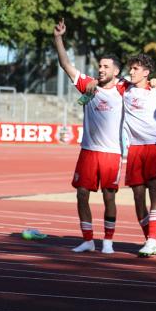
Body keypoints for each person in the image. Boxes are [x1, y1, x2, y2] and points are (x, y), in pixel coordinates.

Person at [52, 20, 123, 254]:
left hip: (112, 153)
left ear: (116, 71)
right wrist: (58, 38)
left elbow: (146, 83)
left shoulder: (124, 89)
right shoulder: (88, 87)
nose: (101, 69)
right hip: (89, 151)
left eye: (105, 66)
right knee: (82, 194)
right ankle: (88, 239)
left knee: (109, 197)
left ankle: (108, 242)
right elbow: (65, 64)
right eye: (99, 66)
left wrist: (152, 80)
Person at [120, 54, 156, 258]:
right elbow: (105, 82)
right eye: (131, 68)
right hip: (135, 149)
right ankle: (150, 238)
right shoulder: (124, 88)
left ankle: (152, 240)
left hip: (155, 146)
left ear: (146, 73)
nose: (131, 72)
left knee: (155, 194)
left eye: (136, 69)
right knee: (138, 197)